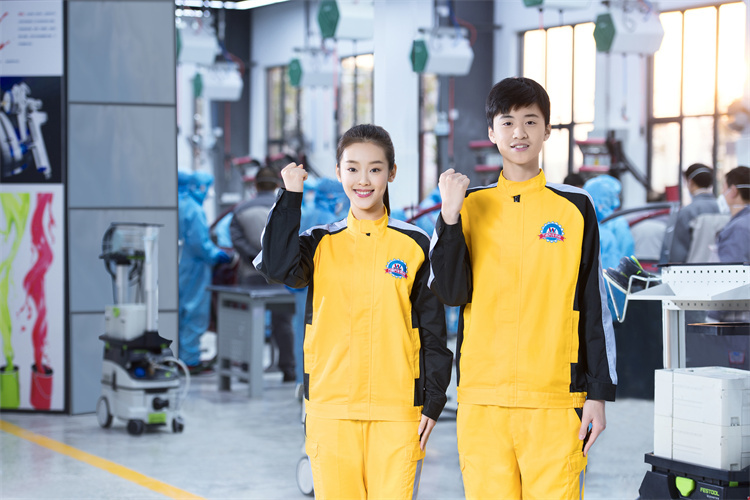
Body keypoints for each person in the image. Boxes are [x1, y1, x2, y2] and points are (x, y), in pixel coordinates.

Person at [429, 77, 617, 499]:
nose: (519, 132)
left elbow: (593, 304)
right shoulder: (469, 206)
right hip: (483, 398)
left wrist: (598, 393)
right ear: (492, 132)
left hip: (555, 396)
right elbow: (450, 292)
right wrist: (450, 217)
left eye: (531, 121)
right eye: (508, 122)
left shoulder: (575, 207)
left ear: (547, 130)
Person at [254, 124, 453, 499]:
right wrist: (290, 197)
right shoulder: (319, 242)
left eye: (375, 169)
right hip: (331, 409)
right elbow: (277, 267)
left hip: (397, 412)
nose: (363, 180)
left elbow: (432, 331)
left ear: (391, 173)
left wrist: (434, 399)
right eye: (352, 168)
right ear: (338, 171)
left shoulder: (414, 244)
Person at [230, 166, 296, 382]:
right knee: (283, 324)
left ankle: (247, 369)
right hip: (281, 276)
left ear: (255, 185)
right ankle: (289, 369)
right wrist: (274, 259)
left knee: (250, 321)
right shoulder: (288, 208)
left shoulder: (240, 210)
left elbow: (237, 240)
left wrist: (256, 258)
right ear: (277, 185)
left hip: (251, 275)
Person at [178, 170, 233, 375]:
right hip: (195, 268)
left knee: (181, 311)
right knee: (194, 312)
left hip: (181, 267)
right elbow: (200, 244)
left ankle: (181, 355)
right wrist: (217, 255)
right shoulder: (194, 210)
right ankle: (190, 360)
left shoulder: (179, 205)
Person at [666, 163, 720, 263]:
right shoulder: (722, 208)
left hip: (694, 269)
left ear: (690, 182)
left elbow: (678, 253)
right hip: (724, 268)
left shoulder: (687, 212)